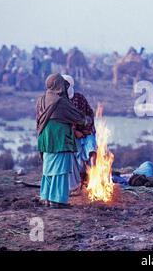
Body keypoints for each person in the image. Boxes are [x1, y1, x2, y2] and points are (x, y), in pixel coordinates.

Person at [36, 73, 91, 208]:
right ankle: (58, 200)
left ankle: (46, 197)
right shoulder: (60, 102)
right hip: (60, 139)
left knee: (48, 169)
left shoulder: (41, 99)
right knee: (60, 169)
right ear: (59, 85)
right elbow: (78, 117)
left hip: (45, 138)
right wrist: (87, 121)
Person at [61, 75, 97, 190]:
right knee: (77, 159)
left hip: (86, 132)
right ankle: (78, 181)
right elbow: (64, 122)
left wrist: (86, 128)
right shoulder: (60, 101)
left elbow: (89, 114)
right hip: (71, 135)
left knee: (92, 150)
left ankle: (94, 178)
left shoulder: (79, 98)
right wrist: (75, 132)